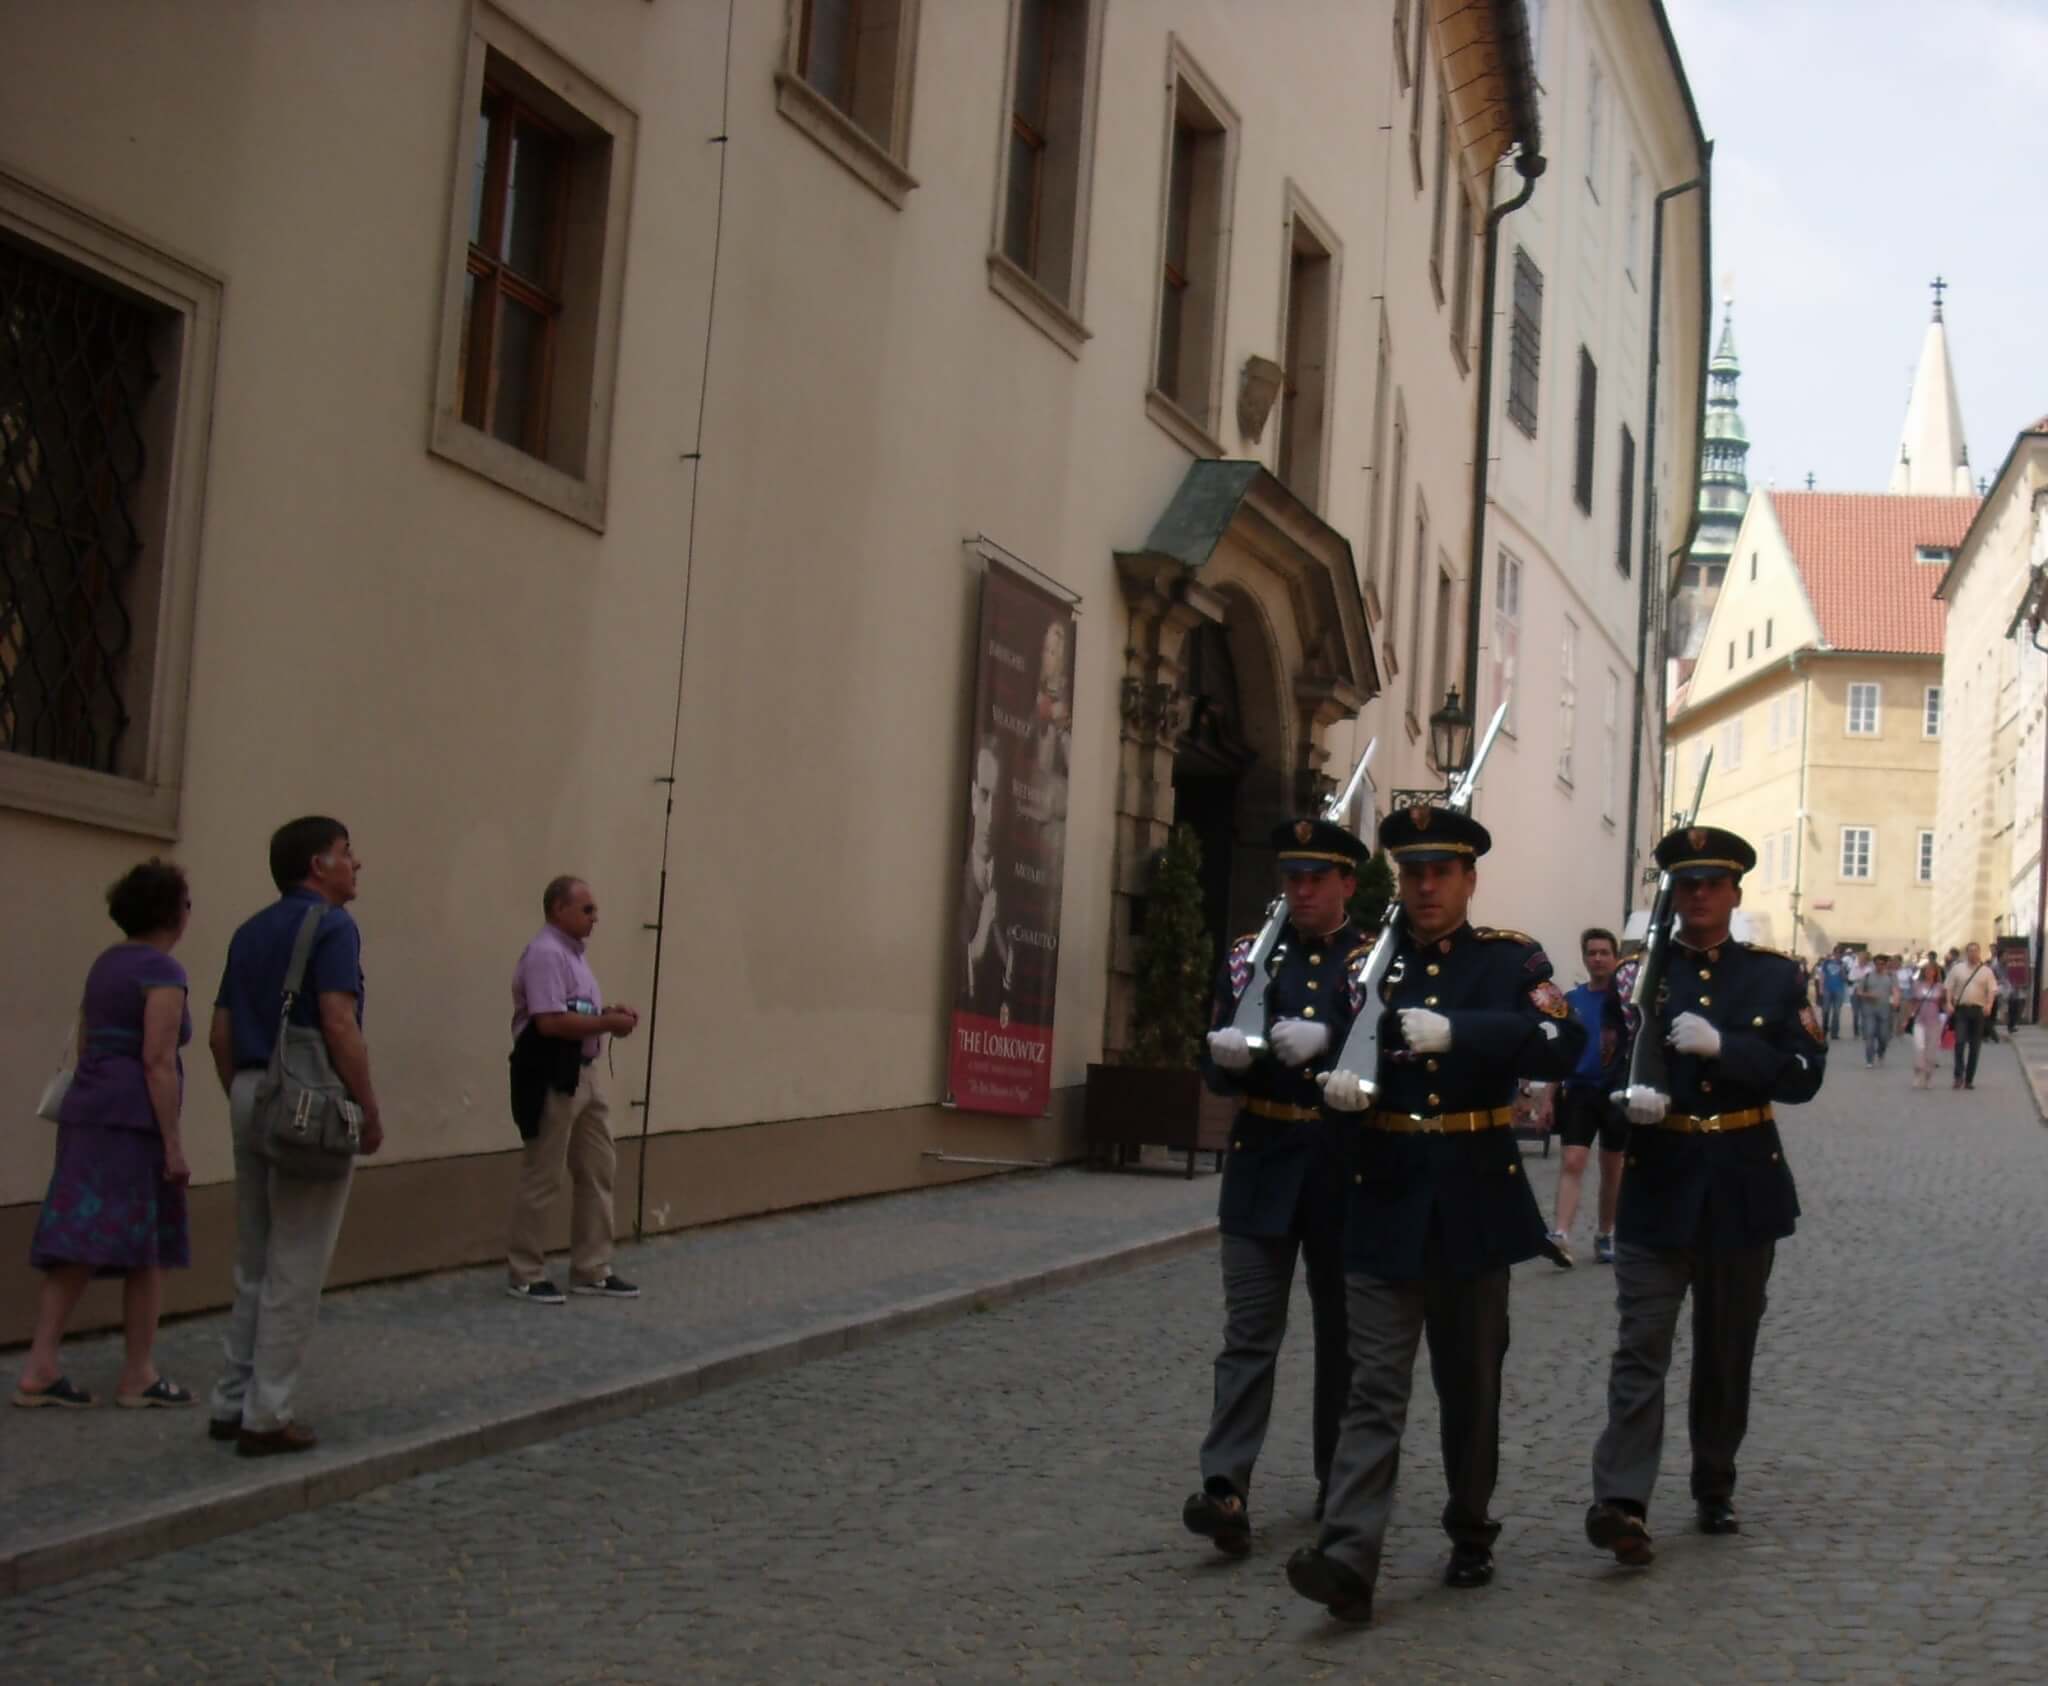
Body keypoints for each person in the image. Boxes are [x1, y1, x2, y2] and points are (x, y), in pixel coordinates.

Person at [1283, 807, 1585, 1624]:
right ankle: (1349, 1555)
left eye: (1440, 873)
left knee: (1469, 1383)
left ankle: (1470, 1526)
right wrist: (1336, 1086)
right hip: (1381, 1191)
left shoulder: (1508, 962)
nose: (1424, 887)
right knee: (1372, 1388)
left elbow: (1563, 1040)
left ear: (1468, 880)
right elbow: (1348, 1059)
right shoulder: (1365, 966)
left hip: (1472, 1194)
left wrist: (1462, 1031)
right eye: (1412, 873)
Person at [1587, 826, 1826, 1567]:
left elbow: (1804, 1076)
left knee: (1727, 1349)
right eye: (1686, 885)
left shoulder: (1775, 978)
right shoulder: (1637, 978)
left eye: (1711, 885)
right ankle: (1623, 1500)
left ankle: (1714, 1480)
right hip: (1659, 1180)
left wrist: (1728, 1048)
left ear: (1735, 893)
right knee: (1641, 1346)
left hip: (1741, 1182)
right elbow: (1599, 1080)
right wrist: (1631, 1103)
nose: (1698, 897)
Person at [1183, 818, 1369, 1559]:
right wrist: (1226, 1060)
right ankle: (1226, 1487)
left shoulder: (1373, 963)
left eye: (1317, 878)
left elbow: (1381, 1048)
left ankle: (1339, 1479)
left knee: (1343, 1337)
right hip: (1262, 1158)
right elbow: (1220, 1055)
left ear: (1348, 883)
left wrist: (1329, 1037)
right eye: (1292, 877)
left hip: (1339, 1162)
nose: (1302, 890)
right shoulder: (1249, 957)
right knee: (1248, 1333)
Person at [206, 817, 382, 1456]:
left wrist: (243, 1094)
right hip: (310, 1101)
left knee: (253, 1258)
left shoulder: (249, 930)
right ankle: (267, 1413)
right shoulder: (333, 927)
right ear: (317, 865)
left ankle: (230, 1398)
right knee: (297, 1262)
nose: (355, 864)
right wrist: (367, 1106)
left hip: (251, 1090)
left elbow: (220, 1030)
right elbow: (338, 1023)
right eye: (346, 852)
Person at [16, 861, 197, 1411]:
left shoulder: (106, 965)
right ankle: (138, 1373)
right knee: (147, 1245)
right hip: (131, 1116)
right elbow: (158, 1059)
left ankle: (41, 1364)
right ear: (172, 913)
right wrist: (172, 1141)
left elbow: (91, 1037)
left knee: (76, 1236)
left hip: (88, 1108)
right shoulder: (162, 972)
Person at [505, 877, 641, 1305]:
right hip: (552, 1073)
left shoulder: (575, 957)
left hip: (586, 1072)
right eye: (586, 910)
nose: (595, 918)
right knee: (543, 1174)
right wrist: (606, 1024)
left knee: (598, 1168)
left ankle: (592, 1267)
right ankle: (525, 1271)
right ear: (558, 910)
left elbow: (574, 1010)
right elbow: (549, 1021)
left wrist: (605, 1015)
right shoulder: (546, 954)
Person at [1547, 927, 1629, 1268]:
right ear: (1584, 958)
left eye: (1604, 953)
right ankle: (1561, 1234)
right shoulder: (1572, 1001)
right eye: (1592, 953)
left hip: (1614, 1092)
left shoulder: (1626, 1002)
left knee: (1612, 1168)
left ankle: (1605, 1233)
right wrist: (1548, 1097)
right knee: (1573, 1161)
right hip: (1579, 1090)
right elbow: (1560, 1053)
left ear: (1615, 957)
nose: (1597, 958)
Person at [1945, 943, 1996, 1090]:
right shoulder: (1957, 969)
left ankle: (1969, 1079)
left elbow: (1992, 990)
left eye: (1976, 951)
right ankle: (1958, 1076)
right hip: (1961, 1010)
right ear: (1966, 953)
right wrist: (1948, 1003)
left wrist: (1989, 1005)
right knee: (1959, 1043)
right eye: (1970, 951)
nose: (1973, 954)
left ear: (1980, 953)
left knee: (1975, 1046)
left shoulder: (1986, 971)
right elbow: (1948, 986)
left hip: (1978, 1011)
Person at [1904, 960, 1948, 1089]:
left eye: (1932, 971)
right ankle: (1918, 1073)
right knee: (1919, 1048)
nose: (1929, 973)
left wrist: (1949, 1008)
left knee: (1931, 1051)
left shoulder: (1940, 987)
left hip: (1934, 1022)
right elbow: (1912, 1003)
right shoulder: (1917, 985)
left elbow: (1944, 1003)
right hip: (1919, 1021)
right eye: (1927, 971)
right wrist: (1906, 1019)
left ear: (1935, 973)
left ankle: (1928, 1076)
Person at [1853, 955, 1894, 1068]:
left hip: (1884, 1010)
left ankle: (1881, 1052)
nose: (1879, 966)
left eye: (1882, 964)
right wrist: (1869, 995)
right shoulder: (1867, 976)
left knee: (1883, 1036)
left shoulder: (1890, 977)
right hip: (1869, 1010)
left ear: (1885, 965)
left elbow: (1896, 991)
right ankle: (1869, 1060)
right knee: (1869, 1034)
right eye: (1877, 964)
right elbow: (1859, 991)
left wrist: (1896, 1001)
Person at [1816, 950, 1848, 1040]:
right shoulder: (1826, 962)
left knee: (1836, 1012)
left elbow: (1845, 978)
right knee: (1825, 1010)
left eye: (1840, 953)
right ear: (1834, 954)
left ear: (1842, 955)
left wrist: (1842, 970)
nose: (1838, 955)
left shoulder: (1843, 964)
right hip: (1827, 989)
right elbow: (1822, 975)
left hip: (1839, 990)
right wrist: (1820, 989)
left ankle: (1834, 1033)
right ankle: (1824, 1030)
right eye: (1837, 953)